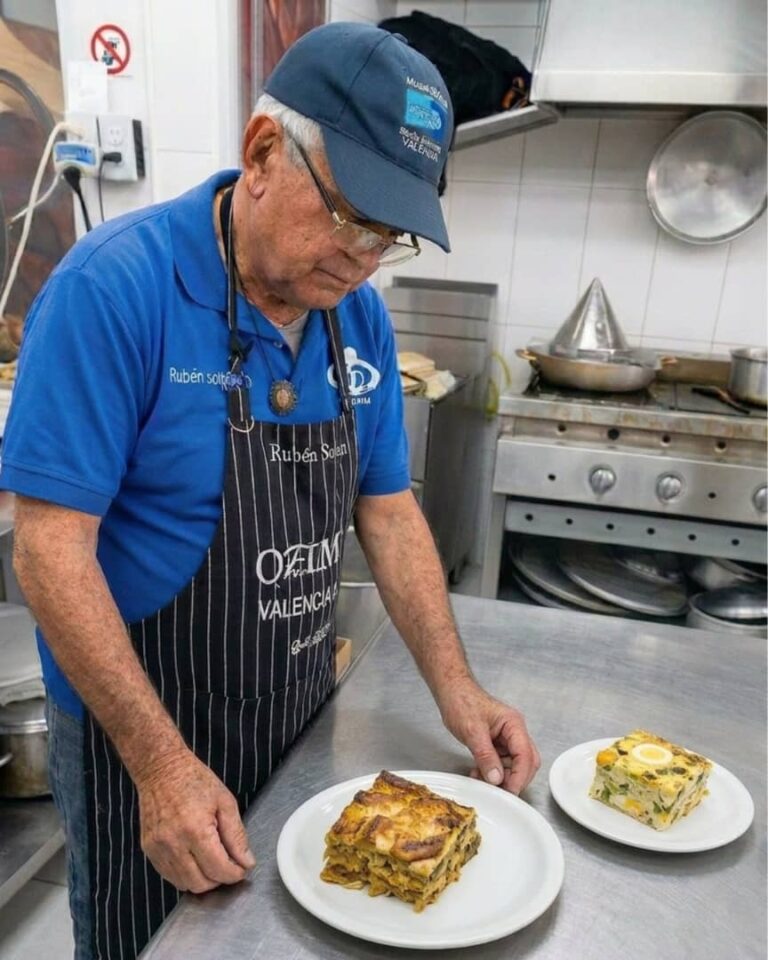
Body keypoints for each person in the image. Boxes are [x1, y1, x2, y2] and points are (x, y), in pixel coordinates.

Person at [0, 22, 540, 960]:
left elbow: (389, 509)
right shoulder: (113, 291)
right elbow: (48, 550)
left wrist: (458, 690)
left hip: (292, 714)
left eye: (389, 233)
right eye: (349, 214)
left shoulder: (354, 315)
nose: (365, 256)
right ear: (261, 154)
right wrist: (162, 766)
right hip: (142, 737)